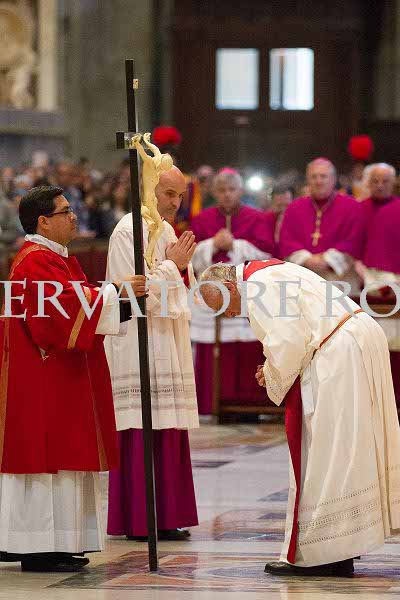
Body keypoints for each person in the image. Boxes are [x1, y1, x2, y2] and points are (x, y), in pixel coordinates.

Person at [199, 259, 400, 577]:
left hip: (341, 349)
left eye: (223, 307)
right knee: (346, 450)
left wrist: (270, 373)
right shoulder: (265, 273)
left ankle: (325, 553)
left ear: (228, 287)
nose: (229, 315)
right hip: (352, 339)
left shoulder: (259, 286)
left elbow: (288, 342)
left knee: (326, 452)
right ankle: (339, 548)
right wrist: (273, 368)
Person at [0, 185, 146, 572]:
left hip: (59, 375)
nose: (73, 216)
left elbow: (80, 299)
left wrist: (123, 302)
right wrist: (115, 291)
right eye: (64, 211)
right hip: (43, 380)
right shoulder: (35, 261)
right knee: (47, 459)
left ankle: (61, 543)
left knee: (65, 458)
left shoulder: (56, 258)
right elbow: (59, 315)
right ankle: (38, 547)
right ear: (43, 222)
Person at [105, 166, 199, 541]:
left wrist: (179, 269)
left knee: (168, 423)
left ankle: (167, 515)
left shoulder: (167, 231)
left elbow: (179, 289)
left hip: (166, 339)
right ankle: (139, 518)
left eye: (180, 195)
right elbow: (132, 295)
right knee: (142, 425)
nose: (176, 203)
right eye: (169, 194)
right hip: (137, 340)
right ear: (148, 190)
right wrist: (173, 266)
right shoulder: (128, 231)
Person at [190, 168, 274, 415]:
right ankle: (210, 405)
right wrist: (212, 244)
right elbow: (189, 257)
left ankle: (248, 405)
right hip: (210, 297)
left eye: (231, 189)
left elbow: (268, 255)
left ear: (240, 190)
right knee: (210, 348)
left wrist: (235, 245)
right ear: (214, 192)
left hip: (247, 294)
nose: (227, 194)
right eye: (221, 190)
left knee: (247, 347)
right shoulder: (201, 219)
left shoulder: (257, 218)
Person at [279, 158, 364, 294]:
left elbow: (354, 239)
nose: (318, 181)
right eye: (314, 177)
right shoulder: (294, 208)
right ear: (308, 180)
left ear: (333, 180)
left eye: (323, 176)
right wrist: (307, 259)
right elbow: (287, 239)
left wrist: (327, 260)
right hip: (302, 277)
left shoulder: (352, 206)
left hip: (340, 279)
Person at [358, 163, 400, 406]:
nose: (380, 185)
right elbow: (352, 244)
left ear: (394, 182)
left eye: (385, 180)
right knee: (368, 344)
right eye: (375, 180)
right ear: (367, 183)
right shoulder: (357, 209)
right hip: (364, 284)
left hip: (395, 286)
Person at [264, 185, 294, 257]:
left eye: (286, 205)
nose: (283, 210)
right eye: (279, 206)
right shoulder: (264, 219)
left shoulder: (298, 218)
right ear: (272, 203)